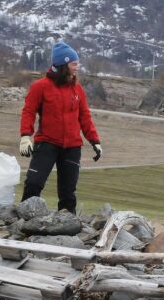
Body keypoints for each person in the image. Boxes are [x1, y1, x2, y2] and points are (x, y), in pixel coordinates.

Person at [19, 42, 102, 213]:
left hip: (72, 146)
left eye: (77, 63)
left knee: (67, 193)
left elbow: (84, 116)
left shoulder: (77, 88)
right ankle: (22, 220)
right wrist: (25, 136)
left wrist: (94, 140)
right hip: (47, 143)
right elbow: (28, 111)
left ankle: (67, 228)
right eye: (74, 64)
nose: (77, 67)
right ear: (63, 65)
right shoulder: (40, 86)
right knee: (34, 183)